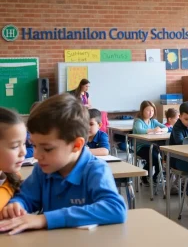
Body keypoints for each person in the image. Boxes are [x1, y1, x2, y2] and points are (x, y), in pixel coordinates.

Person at [0, 94, 126, 235]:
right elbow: (26, 197)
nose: (36, 155)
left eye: (47, 149)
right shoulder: (43, 170)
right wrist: (17, 205)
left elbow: (115, 209)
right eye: (34, 145)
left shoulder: (95, 170)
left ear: (76, 145)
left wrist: (45, 219)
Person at [133, 100, 168, 186]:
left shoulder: (153, 121)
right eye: (148, 110)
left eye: (152, 110)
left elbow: (166, 128)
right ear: (142, 111)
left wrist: (161, 130)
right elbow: (139, 130)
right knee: (155, 158)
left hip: (152, 146)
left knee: (160, 159)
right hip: (141, 147)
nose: (150, 113)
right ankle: (144, 176)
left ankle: (154, 176)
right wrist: (153, 130)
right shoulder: (138, 121)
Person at [0, 107, 26, 211]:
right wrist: (8, 188)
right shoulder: (10, 180)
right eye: (15, 146)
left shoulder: (12, 176)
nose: (24, 152)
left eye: (24, 143)